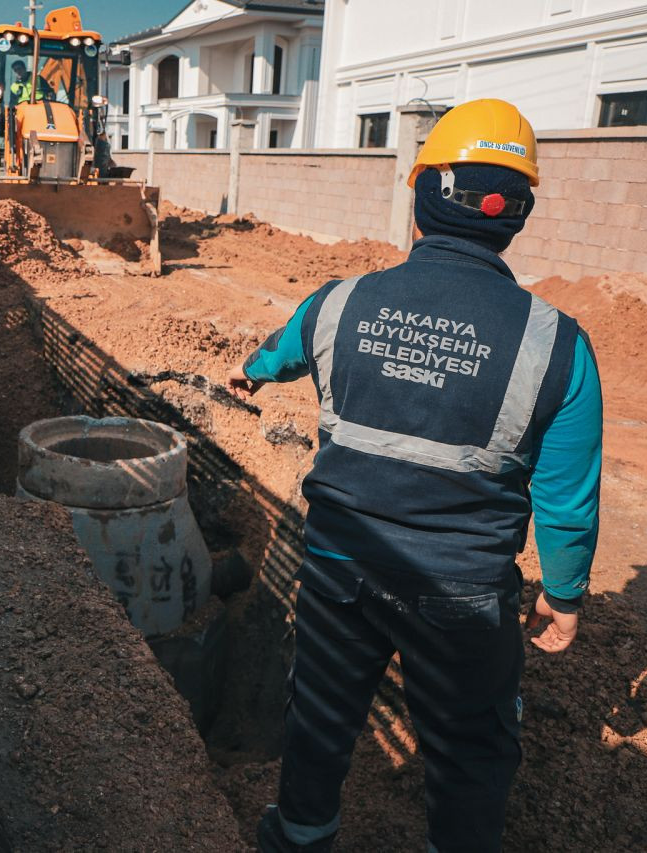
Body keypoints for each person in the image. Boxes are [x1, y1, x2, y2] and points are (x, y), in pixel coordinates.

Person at [228, 99, 602, 853]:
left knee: (322, 715)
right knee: (471, 747)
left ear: (423, 190)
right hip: (463, 592)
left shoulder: (340, 300)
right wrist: (562, 597)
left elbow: (283, 346)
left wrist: (251, 373)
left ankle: (299, 836)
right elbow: (566, 503)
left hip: (340, 564)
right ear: (516, 212)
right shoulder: (558, 345)